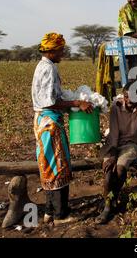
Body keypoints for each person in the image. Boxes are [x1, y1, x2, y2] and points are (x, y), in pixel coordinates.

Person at [32, 32, 93, 224]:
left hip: (43, 121)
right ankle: (60, 215)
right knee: (58, 167)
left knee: (48, 165)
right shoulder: (48, 69)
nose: (62, 54)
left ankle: (50, 211)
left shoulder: (43, 66)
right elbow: (49, 102)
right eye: (60, 50)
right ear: (51, 51)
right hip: (49, 124)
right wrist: (76, 102)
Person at [96, 82, 137, 224]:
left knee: (120, 169)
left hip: (131, 145)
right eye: (127, 97)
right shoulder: (116, 107)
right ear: (124, 96)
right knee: (109, 172)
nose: (129, 101)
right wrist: (112, 156)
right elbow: (114, 134)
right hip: (113, 144)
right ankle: (109, 204)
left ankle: (109, 204)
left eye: (133, 98)